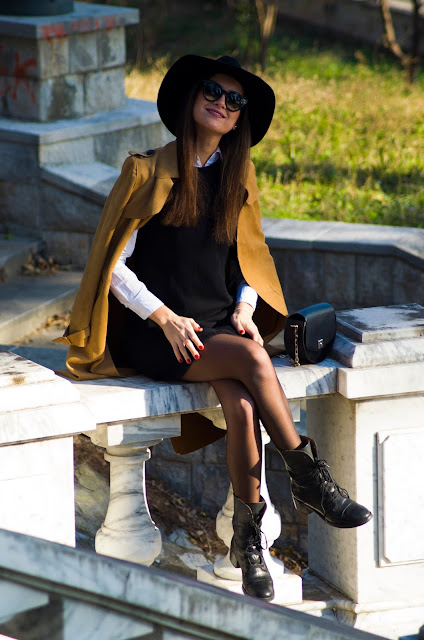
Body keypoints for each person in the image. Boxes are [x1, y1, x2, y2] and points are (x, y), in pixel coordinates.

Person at [57, 55, 372, 602]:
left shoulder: (236, 175)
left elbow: (247, 259)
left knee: (243, 406)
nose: (221, 103)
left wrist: (247, 308)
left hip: (219, 323)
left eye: (234, 99)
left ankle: (248, 545)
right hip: (160, 332)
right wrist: (164, 317)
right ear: (191, 97)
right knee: (253, 360)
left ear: (240, 116)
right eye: (212, 91)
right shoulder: (145, 172)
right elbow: (113, 268)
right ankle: (308, 478)